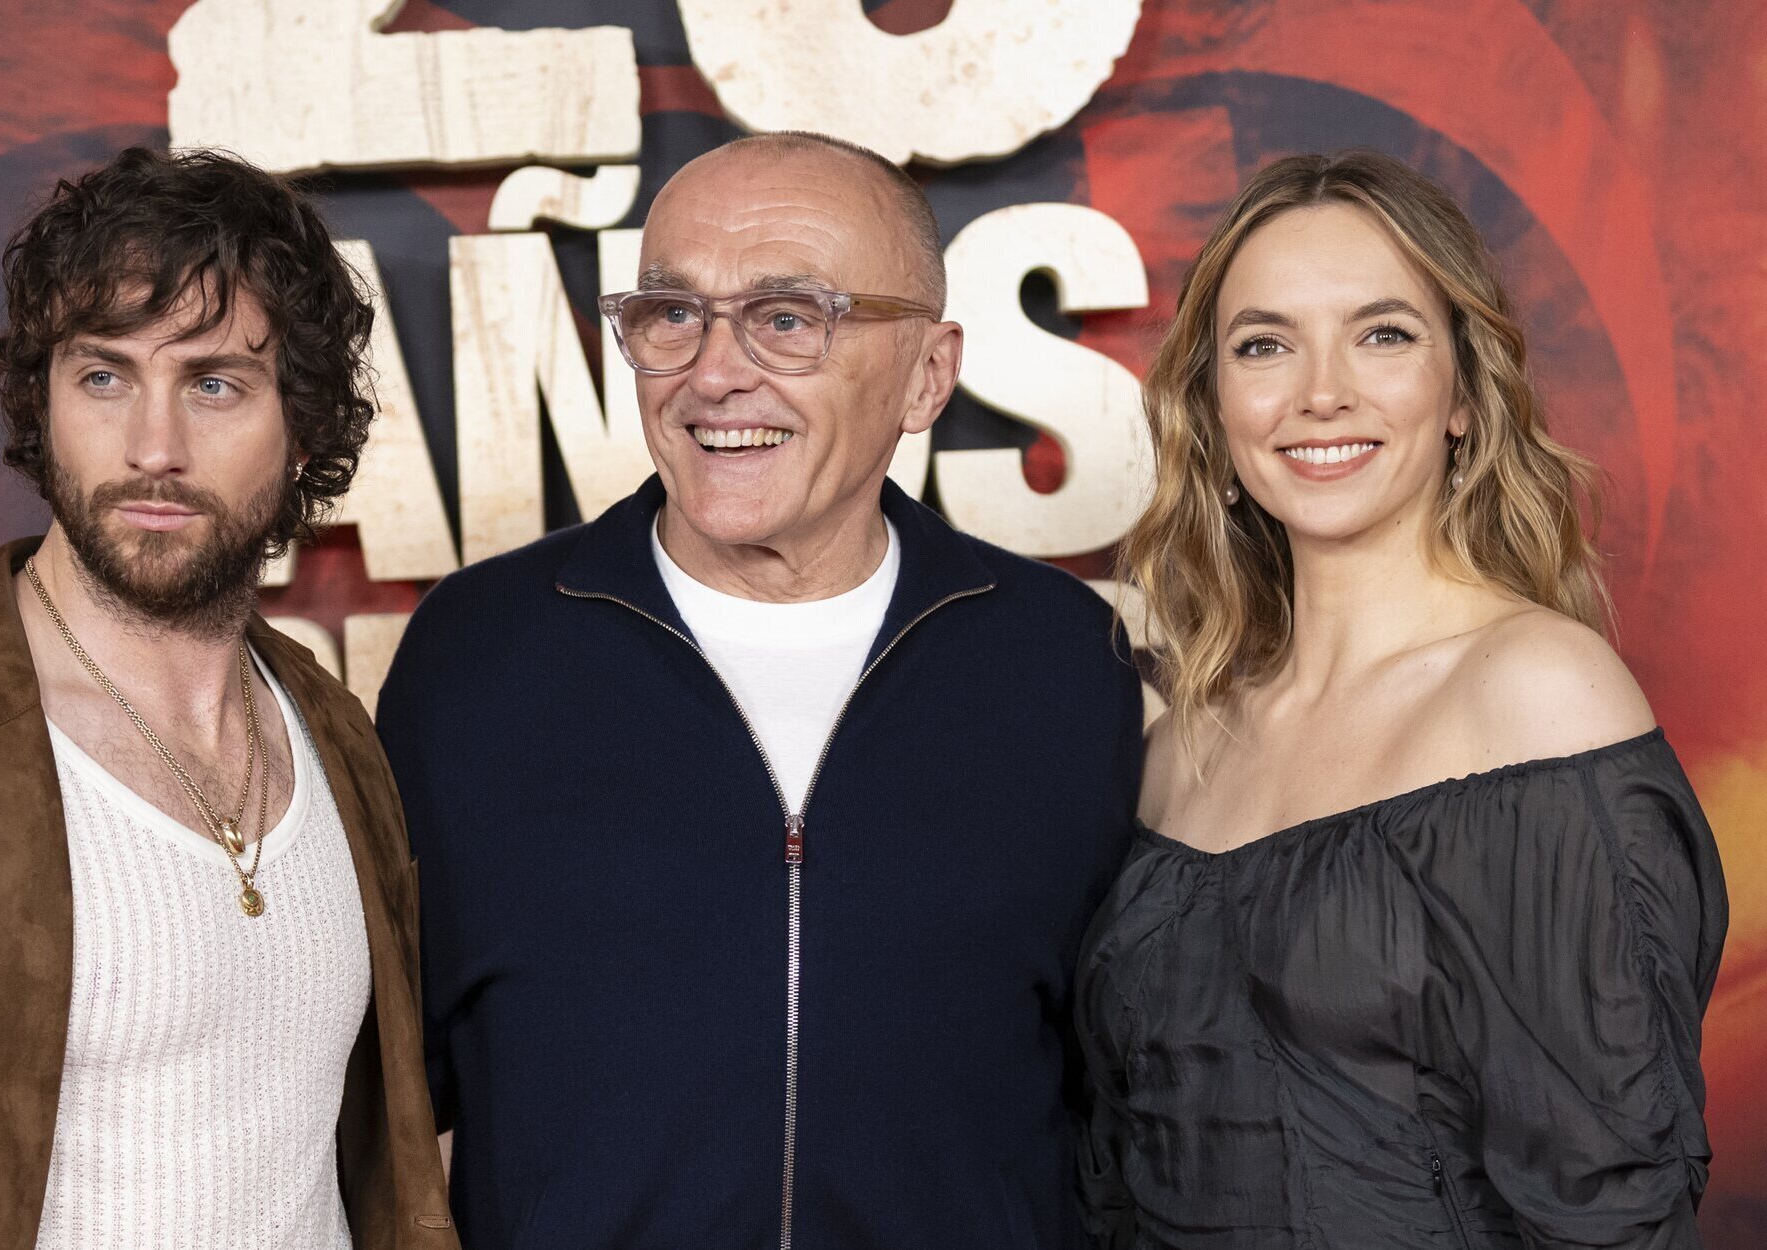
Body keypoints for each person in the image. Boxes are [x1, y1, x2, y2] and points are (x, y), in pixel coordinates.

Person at [378, 131, 1144, 1249]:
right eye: (671, 314)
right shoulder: (475, 655)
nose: (712, 373)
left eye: (787, 317)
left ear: (927, 375)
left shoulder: (1062, 663)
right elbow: (385, 1096)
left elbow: (1119, 1094)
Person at [0, 147, 459, 1248]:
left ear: (304, 431)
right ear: (41, 406)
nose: (153, 447)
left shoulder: (334, 732)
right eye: (104, 376)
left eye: (214, 383)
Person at [1076, 150, 1728, 1248]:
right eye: (1264, 345)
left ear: (1463, 395)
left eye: (1382, 334)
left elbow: (1614, 1203)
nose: (1320, 391)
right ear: (1215, 409)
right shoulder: (1181, 742)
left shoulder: (1536, 696)